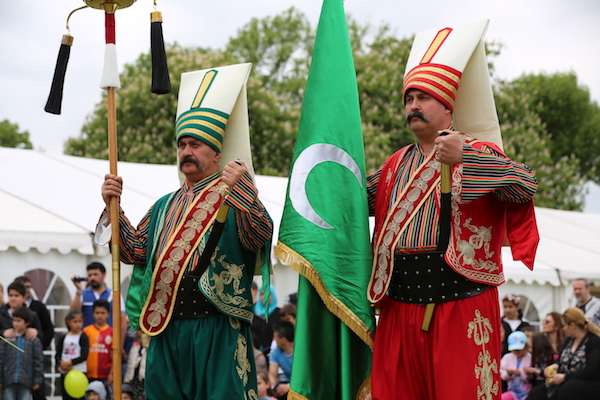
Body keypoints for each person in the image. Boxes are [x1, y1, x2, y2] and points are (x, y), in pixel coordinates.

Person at [367, 20, 539, 400]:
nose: (413, 106)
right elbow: (351, 203)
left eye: (423, 98)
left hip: (460, 302)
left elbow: (525, 184)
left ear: (448, 107)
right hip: (399, 305)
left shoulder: (479, 151)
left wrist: (466, 159)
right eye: (408, 99)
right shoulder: (393, 165)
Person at [96, 64, 273, 400]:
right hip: (166, 326)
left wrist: (247, 190)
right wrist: (112, 207)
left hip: (217, 325)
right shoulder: (163, 205)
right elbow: (133, 251)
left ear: (217, 153)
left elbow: (259, 235)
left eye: (196, 144)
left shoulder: (234, 194)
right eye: (182, 145)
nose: (186, 152)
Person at [527, 307, 600, 400]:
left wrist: (565, 377)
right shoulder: (569, 340)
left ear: (573, 325)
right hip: (565, 381)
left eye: (564, 325)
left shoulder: (594, 342)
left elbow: (592, 371)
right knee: (537, 392)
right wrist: (555, 365)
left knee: (567, 390)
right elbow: (560, 359)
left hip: (586, 383)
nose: (564, 329)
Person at [69, 262, 128, 363]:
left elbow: (122, 322)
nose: (92, 278)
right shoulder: (83, 293)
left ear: (104, 275)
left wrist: (120, 346)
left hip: (108, 344)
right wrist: (78, 290)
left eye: (95, 274)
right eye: (90, 275)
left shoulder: (114, 295)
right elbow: (73, 313)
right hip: (87, 345)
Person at [14, 275, 55, 400]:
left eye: (28, 287)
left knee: (38, 391)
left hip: (33, 356)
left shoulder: (38, 307)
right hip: (14, 358)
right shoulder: (8, 309)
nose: (26, 290)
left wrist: (39, 345)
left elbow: (48, 329)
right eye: (23, 287)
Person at [0, 306, 44, 400]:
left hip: (26, 381)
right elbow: (1, 359)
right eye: (14, 320)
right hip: (9, 380)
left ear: (27, 322)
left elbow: (38, 361)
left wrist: (37, 380)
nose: (15, 323)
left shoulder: (34, 341)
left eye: (19, 321)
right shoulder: (6, 340)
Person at [56, 309, 89, 400]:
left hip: (79, 372)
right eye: (75, 321)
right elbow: (58, 354)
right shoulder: (63, 337)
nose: (78, 324)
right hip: (65, 372)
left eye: (80, 321)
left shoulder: (83, 337)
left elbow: (84, 355)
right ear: (68, 322)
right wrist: (61, 364)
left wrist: (70, 362)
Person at [83, 300, 113, 394]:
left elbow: (115, 355)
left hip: (105, 374)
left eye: (103, 313)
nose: (100, 315)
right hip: (88, 373)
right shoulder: (86, 331)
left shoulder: (112, 332)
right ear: (93, 314)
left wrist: (112, 373)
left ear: (108, 314)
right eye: (97, 313)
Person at [500, 331, 532, 400]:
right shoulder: (507, 357)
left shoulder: (530, 357)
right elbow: (502, 374)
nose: (517, 351)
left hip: (528, 392)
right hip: (512, 391)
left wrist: (521, 374)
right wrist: (508, 373)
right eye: (514, 349)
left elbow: (532, 377)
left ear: (525, 346)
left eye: (519, 349)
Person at [252, 285, 281, 357]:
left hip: (272, 353)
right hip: (253, 353)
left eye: (268, 293)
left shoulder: (279, 313)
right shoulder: (252, 311)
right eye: (262, 294)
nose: (264, 296)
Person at [269, 320, 294, 400]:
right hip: (284, 387)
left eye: (275, 337)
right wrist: (275, 386)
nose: (274, 339)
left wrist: (288, 387)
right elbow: (272, 375)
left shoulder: (300, 354)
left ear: (283, 340)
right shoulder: (276, 352)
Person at [124, 329, 148, 400]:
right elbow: (131, 363)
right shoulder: (135, 346)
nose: (141, 333)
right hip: (135, 378)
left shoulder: (151, 347)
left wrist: (147, 346)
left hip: (144, 379)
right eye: (139, 330)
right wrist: (128, 378)